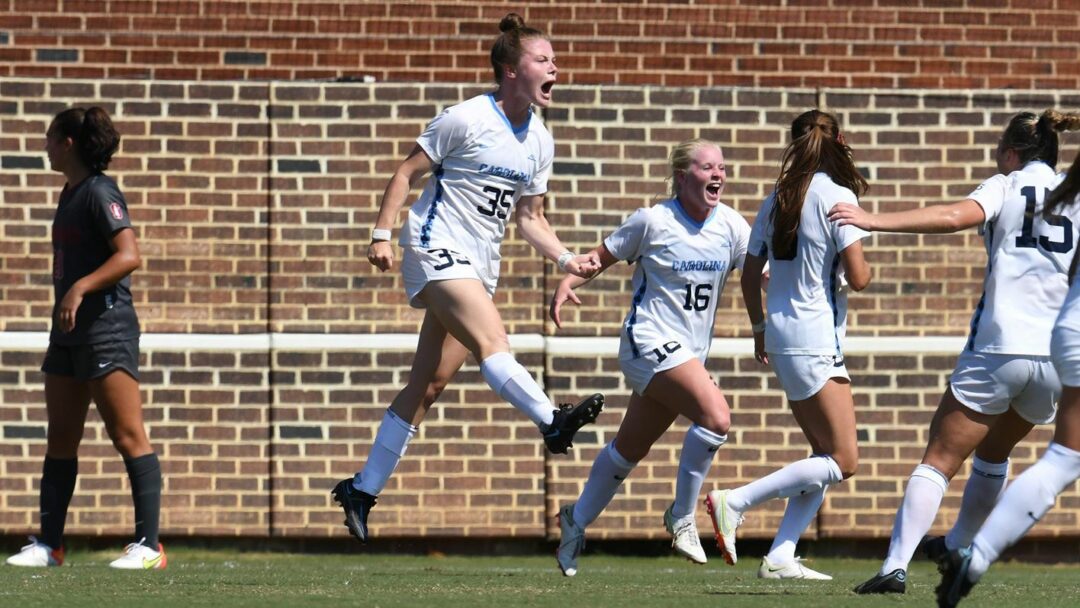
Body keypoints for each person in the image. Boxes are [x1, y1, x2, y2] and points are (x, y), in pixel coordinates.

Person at [331, 13, 604, 544]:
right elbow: (406, 173)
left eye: (554, 60)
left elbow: (530, 218)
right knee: (493, 342)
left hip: (479, 265)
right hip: (435, 247)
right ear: (511, 70)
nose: (555, 68)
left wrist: (566, 259)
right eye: (543, 59)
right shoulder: (466, 118)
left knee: (428, 386)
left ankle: (361, 489)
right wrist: (381, 235)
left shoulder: (539, 140)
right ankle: (552, 420)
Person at [828, 109, 1080, 595]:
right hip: (1056, 357)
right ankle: (959, 545)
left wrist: (872, 220)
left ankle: (894, 566)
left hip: (1000, 345)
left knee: (940, 459)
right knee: (995, 453)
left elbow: (952, 217)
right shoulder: (1073, 192)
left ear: (1011, 153)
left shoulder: (1007, 184)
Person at [550, 140, 749, 576]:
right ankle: (682, 515)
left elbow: (760, 272)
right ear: (682, 176)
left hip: (688, 354)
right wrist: (568, 282)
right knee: (716, 417)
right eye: (707, 167)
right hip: (647, 341)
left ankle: (575, 520)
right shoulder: (653, 220)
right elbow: (599, 258)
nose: (717, 175)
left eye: (722, 167)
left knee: (630, 448)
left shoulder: (732, 225)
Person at [705, 109, 872, 581]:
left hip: (781, 335)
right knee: (844, 460)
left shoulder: (776, 199)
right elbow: (860, 277)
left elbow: (749, 273)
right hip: (815, 336)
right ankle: (735, 501)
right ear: (840, 141)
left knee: (822, 452)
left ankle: (781, 553)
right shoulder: (838, 196)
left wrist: (759, 328)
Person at [5, 107, 164, 570]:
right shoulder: (69, 192)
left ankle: (149, 548)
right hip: (68, 336)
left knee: (127, 434)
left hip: (106, 332)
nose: (45, 147)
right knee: (60, 437)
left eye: (49, 138)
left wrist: (79, 288)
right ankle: (50, 545)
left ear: (68, 143)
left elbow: (129, 255)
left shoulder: (99, 191)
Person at [934, 127, 1080, 608]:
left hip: (1060, 329)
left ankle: (968, 556)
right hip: (1060, 337)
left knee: (1061, 460)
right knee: (1059, 458)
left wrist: (873, 219)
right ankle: (967, 552)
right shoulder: (1038, 186)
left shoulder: (1049, 186)